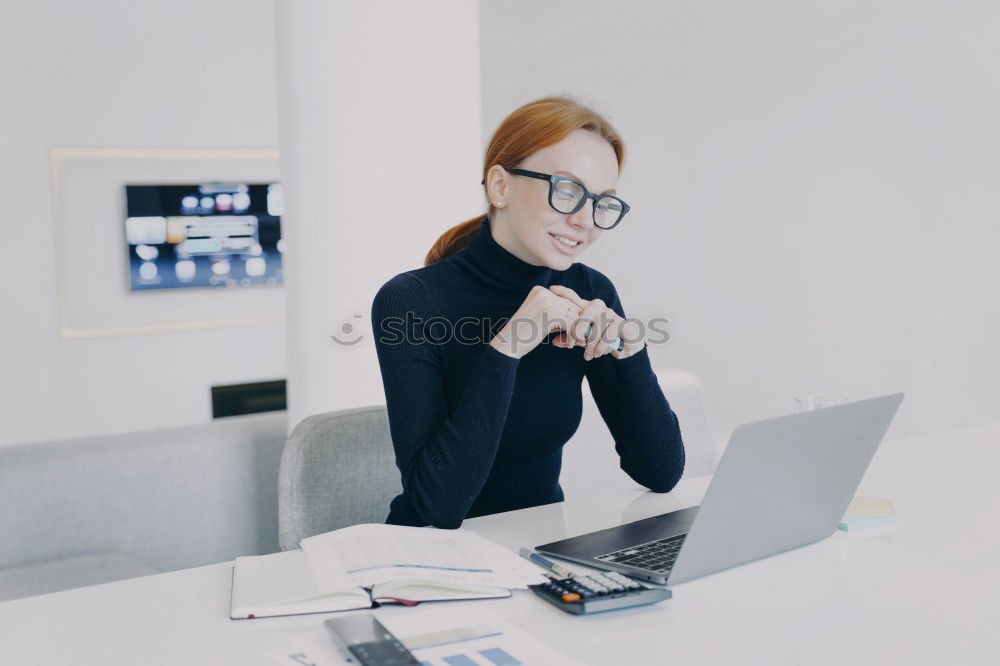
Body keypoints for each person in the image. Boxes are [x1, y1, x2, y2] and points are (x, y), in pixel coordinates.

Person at [371, 95, 685, 529]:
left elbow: (661, 473)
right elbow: (437, 508)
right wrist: (508, 346)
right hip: (434, 561)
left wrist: (630, 351)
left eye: (602, 202)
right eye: (568, 191)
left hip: (541, 548)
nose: (586, 221)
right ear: (500, 186)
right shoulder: (411, 301)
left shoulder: (588, 291)